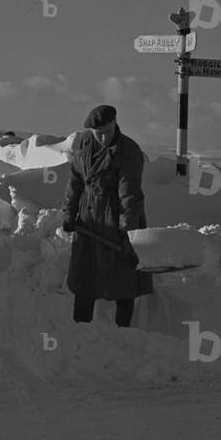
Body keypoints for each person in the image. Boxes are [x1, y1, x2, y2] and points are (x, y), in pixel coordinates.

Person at [61, 105, 153, 327]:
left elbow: (129, 195)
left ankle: (123, 330)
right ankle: (80, 328)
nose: (103, 137)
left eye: (107, 131)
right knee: (85, 276)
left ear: (115, 124)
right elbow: (75, 181)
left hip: (116, 217)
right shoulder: (82, 143)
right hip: (88, 218)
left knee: (123, 276)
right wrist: (69, 211)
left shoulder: (129, 151)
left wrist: (127, 232)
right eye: (98, 133)